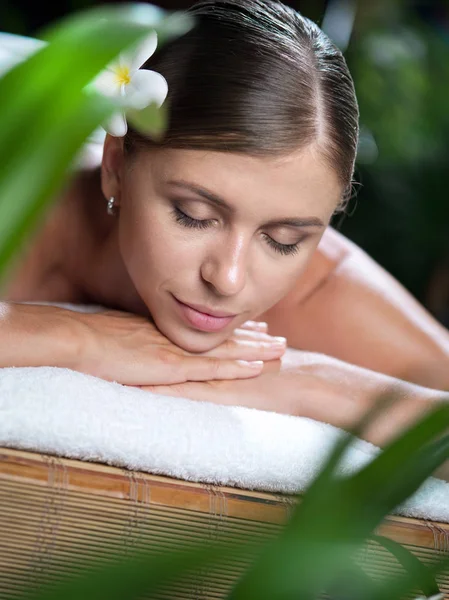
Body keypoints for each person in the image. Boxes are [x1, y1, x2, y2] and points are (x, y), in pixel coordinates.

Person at [2, 0, 449, 458]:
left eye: (283, 240)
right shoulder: (19, 203)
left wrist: (316, 383)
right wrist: (76, 337)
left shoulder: (321, 287)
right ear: (116, 163)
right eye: (194, 214)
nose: (228, 278)